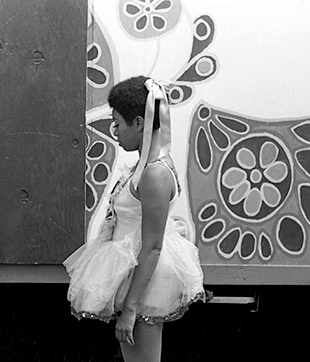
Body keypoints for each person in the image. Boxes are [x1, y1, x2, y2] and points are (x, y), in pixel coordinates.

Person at [63, 76, 205, 361]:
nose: (114, 130)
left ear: (139, 123)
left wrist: (130, 309)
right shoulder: (145, 167)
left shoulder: (154, 173)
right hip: (136, 274)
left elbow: (152, 246)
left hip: (146, 282)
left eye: (117, 123)